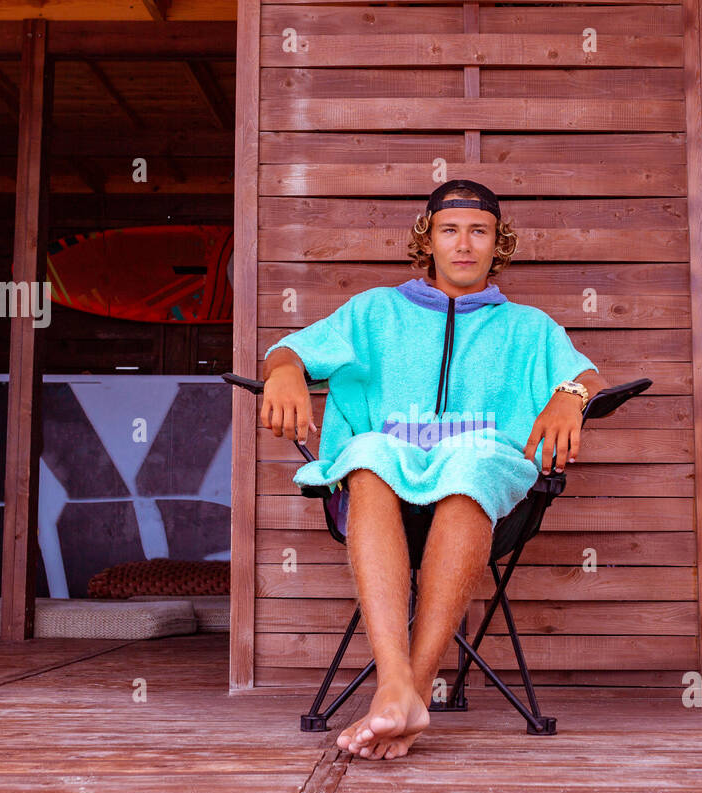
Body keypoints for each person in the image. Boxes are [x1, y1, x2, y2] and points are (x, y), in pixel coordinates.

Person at [260, 179, 607, 760]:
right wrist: (286, 370)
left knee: (470, 460)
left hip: (486, 504)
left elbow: (589, 377)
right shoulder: (373, 311)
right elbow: (291, 350)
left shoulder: (529, 328)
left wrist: (570, 396)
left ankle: (405, 688)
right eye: (450, 230)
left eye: (479, 231)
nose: (464, 244)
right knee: (368, 453)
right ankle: (402, 685)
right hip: (382, 497)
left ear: (499, 244)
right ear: (430, 239)